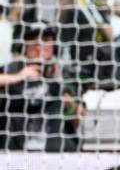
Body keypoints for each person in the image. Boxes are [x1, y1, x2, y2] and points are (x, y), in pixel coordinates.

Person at [0, 23, 85, 151]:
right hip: (15, 151)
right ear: (24, 46)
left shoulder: (66, 74)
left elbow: (77, 118)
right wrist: (19, 77)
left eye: (46, 41)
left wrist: (60, 88)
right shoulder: (11, 69)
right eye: (34, 41)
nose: (40, 47)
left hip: (57, 151)